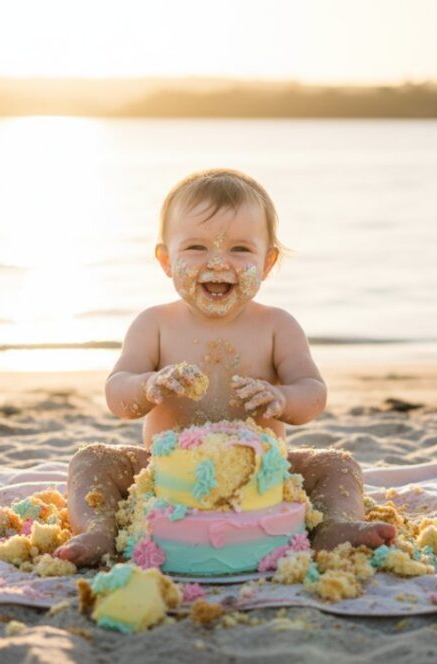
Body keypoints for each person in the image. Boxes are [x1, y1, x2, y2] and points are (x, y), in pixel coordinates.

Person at [57, 168, 395, 566]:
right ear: (166, 260)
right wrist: (149, 386)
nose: (218, 263)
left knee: (337, 464)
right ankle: (99, 531)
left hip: (263, 479)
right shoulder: (155, 324)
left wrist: (282, 398)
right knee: (91, 460)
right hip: (165, 480)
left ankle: (335, 525)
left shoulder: (276, 326)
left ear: (268, 263)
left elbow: (313, 395)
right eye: (197, 248)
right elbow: (118, 396)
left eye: (239, 250)